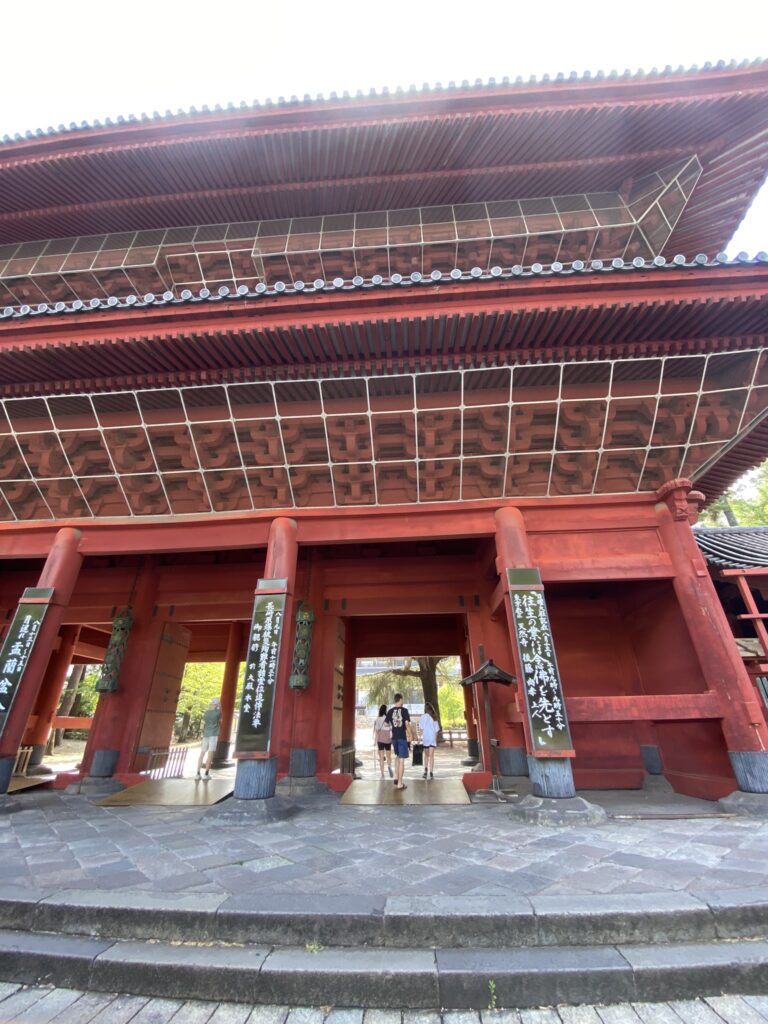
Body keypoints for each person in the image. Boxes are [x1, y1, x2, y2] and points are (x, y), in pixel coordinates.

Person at [385, 693, 413, 791]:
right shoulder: (404, 711)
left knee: (397, 756)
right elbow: (406, 724)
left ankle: (396, 778)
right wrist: (410, 735)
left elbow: (385, 724)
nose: (403, 701)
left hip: (394, 739)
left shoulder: (390, 711)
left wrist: (393, 727)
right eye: (403, 699)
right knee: (401, 760)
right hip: (401, 737)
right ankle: (400, 784)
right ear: (400, 699)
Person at [196, 697, 221, 780]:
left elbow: (205, 721)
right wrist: (219, 706)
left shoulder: (206, 713)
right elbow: (221, 719)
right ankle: (206, 774)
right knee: (210, 753)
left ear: (211, 704)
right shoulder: (218, 712)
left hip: (206, 734)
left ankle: (197, 773)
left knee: (202, 753)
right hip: (213, 734)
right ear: (217, 704)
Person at [373, 703, 394, 779]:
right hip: (388, 739)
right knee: (388, 756)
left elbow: (376, 731)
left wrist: (375, 741)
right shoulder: (388, 718)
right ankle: (389, 766)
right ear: (386, 710)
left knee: (381, 757)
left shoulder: (377, 719)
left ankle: (382, 774)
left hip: (380, 739)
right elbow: (391, 728)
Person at [419, 702, 439, 779]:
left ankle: (425, 771)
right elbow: (436, 731)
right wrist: (435, 740)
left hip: (426, 738)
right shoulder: (434, 717)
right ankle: (431, 773)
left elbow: (421, 729)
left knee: (426, 755)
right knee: (432, 756)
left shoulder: (423, 717)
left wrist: (418, 738)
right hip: (432, 738)